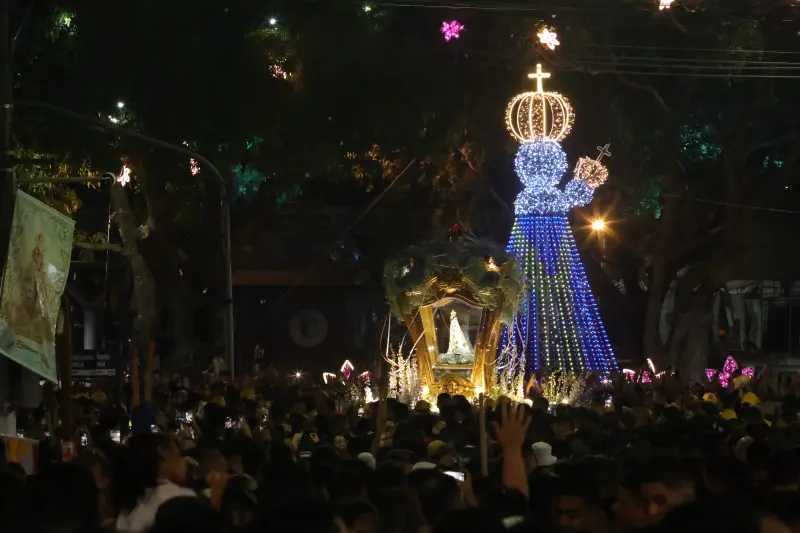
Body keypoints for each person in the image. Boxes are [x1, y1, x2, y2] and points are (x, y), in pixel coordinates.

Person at [114, 434, 197, 533]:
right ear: (163, 453)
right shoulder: (181, 498)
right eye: (179, 455)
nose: (184, 461)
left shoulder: (127, 509)